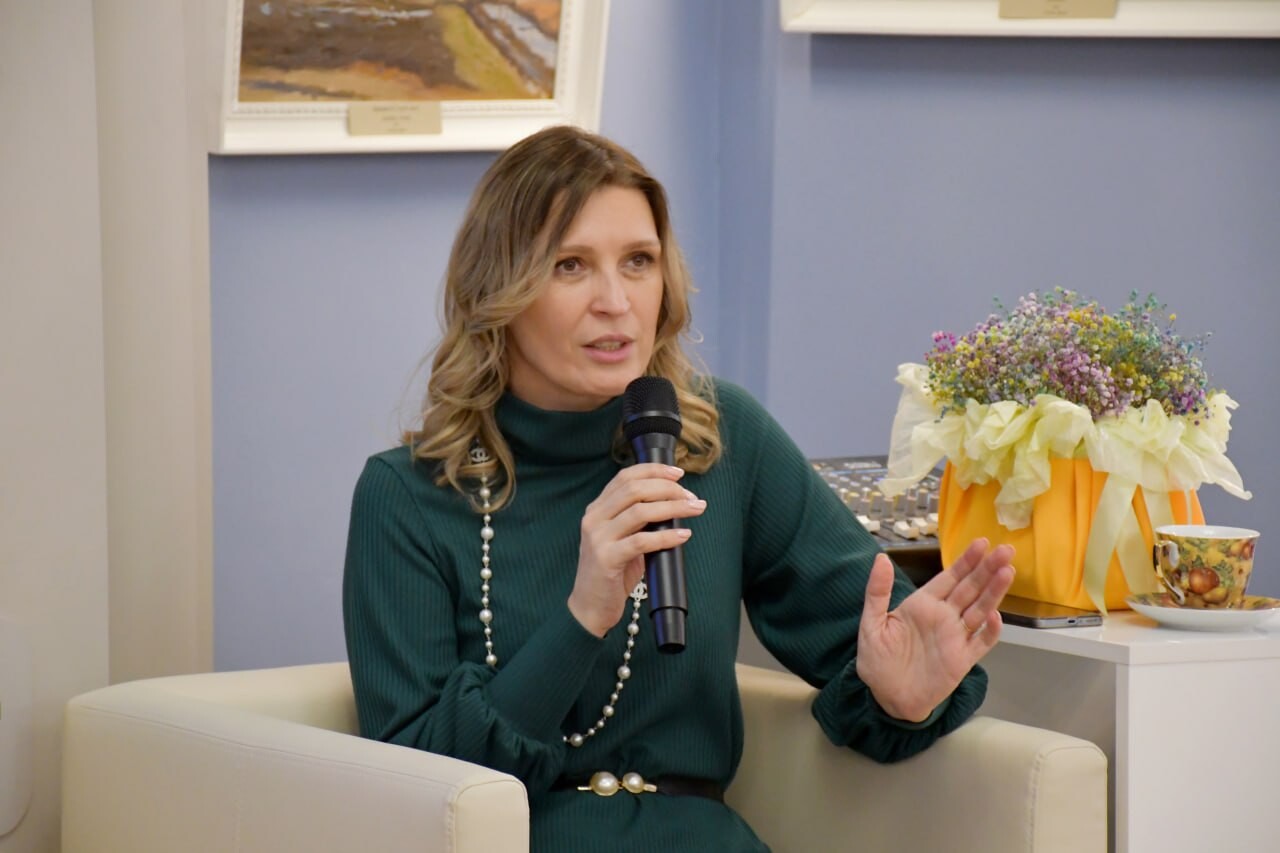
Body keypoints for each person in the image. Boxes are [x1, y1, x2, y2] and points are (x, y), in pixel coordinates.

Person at [342, 125, 1015, 852]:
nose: (616, 301)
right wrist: (582, 617)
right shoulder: (408, 496)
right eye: (570, 265)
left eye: (639, 261)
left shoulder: (720, 442)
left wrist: (902, 696)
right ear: (498, 289)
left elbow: (885, 649)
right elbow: (418, 790)